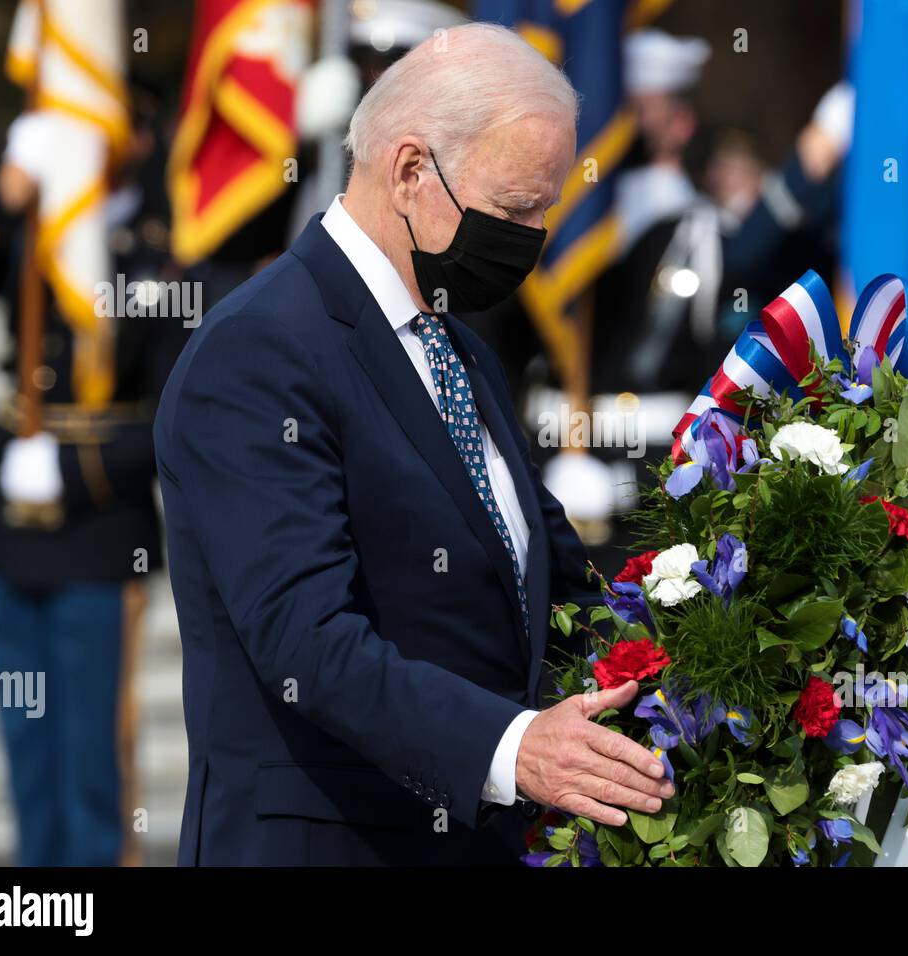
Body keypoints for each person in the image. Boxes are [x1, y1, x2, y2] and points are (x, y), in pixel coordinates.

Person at [154, 23, 673, 867]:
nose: (535, 235)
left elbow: (552, 589)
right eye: (517, 208)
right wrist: (515, 750)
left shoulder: (459, 349)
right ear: (408, 171)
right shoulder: (259, 350)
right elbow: (306, 639)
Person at [0, 81, 188, 866]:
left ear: (140, 141)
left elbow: (177, 414)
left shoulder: (161, 256)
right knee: (26, 748)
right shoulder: (36, 231)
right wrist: (3, 192)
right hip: (11, 523)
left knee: (93, 757)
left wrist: (76, 468)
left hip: (98, 529)